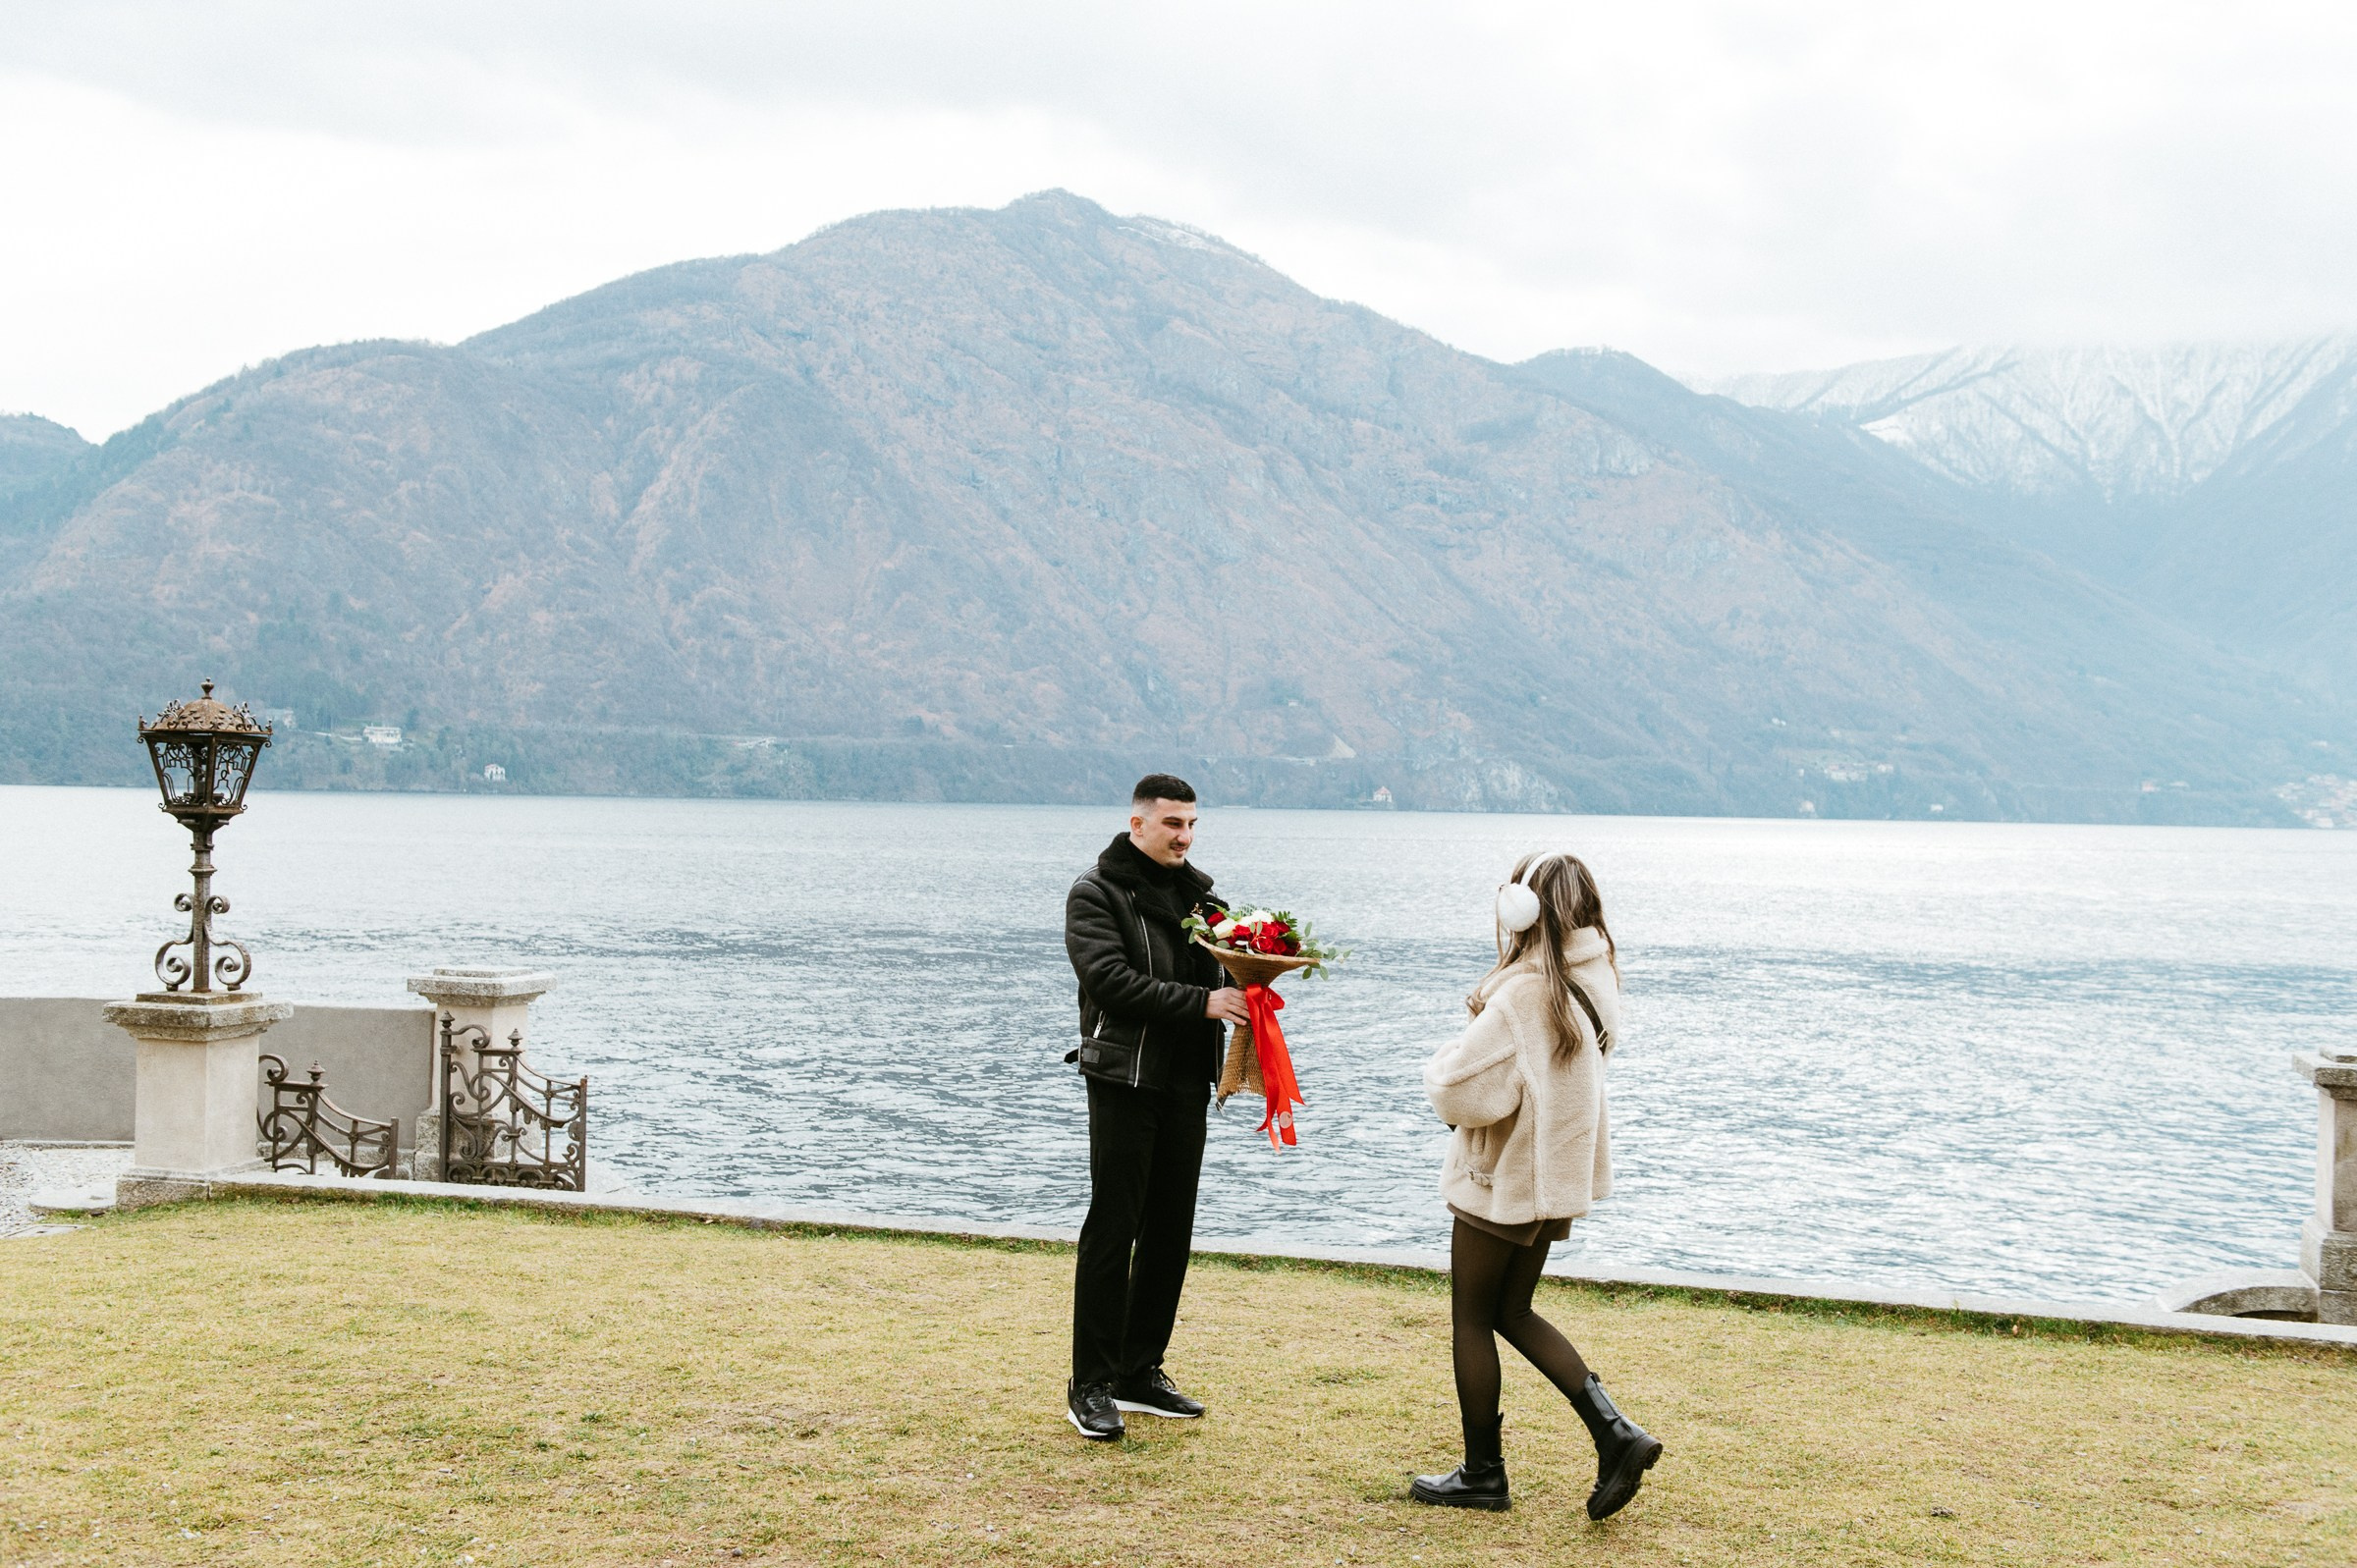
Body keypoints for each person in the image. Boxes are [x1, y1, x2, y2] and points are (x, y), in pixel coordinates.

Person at [1411, 851, 1663, 1518]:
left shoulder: (1524, 996)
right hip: (1554, 1177)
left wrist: (1447, 1053)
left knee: (1473, 1316)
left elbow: (1458, 1090)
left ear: (1522, 909)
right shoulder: (1596, 978)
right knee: (1512, 1310)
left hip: (1504, 1178)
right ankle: (1615, 1433)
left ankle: (1482, 1474)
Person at [1061, 773, 1250, 1441]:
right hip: (1123, 1077)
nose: (1185, 836)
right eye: (1173, 823)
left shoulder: (1205, 898)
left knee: (1171, 1229)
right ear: (1137, 823)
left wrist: (1259, 972)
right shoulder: (1095, 892)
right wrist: (1203, 1002)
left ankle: (1139, 1371)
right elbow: (1109, 981)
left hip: (1187, 1082)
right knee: (1115, 1226)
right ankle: (1090, 1383)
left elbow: (1231, 973)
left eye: (1192, 823)